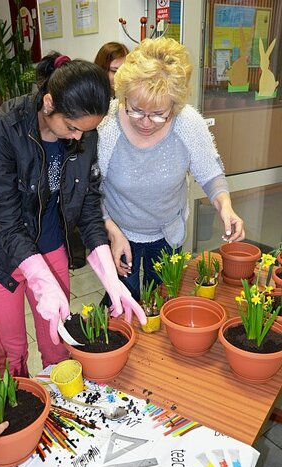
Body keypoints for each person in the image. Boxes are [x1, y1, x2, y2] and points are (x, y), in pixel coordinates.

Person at [0, 52, 146, 378]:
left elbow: (89, 206)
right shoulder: (0, 131)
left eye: (85, 131)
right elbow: (5, 221)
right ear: (49, 103)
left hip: (50, 244)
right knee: (13, 352)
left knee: (58, 342)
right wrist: (39, 278)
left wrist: (111, 278)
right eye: (72, 127)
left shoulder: (84, 131)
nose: (78, 137)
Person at [97, 37, 245, 302]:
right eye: (136, 110)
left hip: (167, 232)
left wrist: (226, 207)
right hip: (119, 232)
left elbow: (210, 173)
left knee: (163, 299)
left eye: (158, 114)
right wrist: (109, 228)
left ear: (174, 106)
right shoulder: (106, 126)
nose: (145, 122)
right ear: (124, 97)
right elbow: (90, 189)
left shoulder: (187, 123)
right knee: (123, 302)